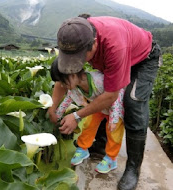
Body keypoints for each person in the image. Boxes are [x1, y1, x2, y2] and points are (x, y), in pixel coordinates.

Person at [48, 15, 161, 190]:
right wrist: (53, 107)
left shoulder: (114, 46)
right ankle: (100, 145)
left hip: (141, 60)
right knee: (98, 105)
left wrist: (76, 116)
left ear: (94, 43)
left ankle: (133, 168)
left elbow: (111, 96)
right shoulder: (76, 35)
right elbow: (63, 76)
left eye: (79, 58)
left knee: (132, 103)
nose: (77, 64)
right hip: (117, 56)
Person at [50, 58, 124, 174]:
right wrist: (56, 114)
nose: (63, 86)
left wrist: (114, 119)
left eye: (63, 81)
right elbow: (68, 99)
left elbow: (116, 96)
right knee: (88, 125)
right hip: (98, 107)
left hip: (115, 108)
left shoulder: (99, 80)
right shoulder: (74, 87)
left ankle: (111, 159)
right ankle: (83, 149)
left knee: (113, 134)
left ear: (73, 74)